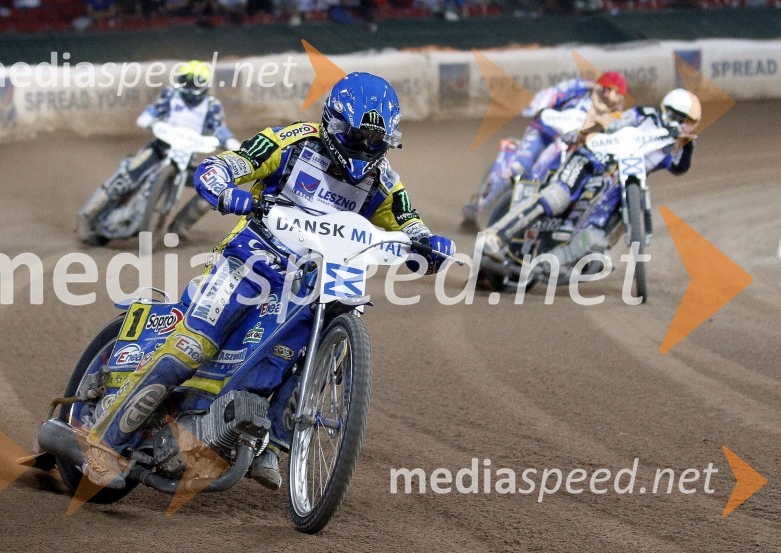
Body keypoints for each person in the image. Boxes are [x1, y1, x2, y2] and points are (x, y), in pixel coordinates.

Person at [82, 72, 456, 491]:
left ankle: (267, 442)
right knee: (191, 347)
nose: (366, 148)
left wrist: (429, 244)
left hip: (308, 283)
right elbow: (223, 165)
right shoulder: (291, 141)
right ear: (334, 124)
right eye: (358, 136)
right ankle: (103, 444)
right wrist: (226, 189)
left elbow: (410, 224)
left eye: (375, 140)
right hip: (247, 262)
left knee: (289, 355)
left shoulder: (382, 180)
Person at [483, 88, 701, 272]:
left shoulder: (672, 147)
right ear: (668, 111)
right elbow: (612, 122)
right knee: (557, 197)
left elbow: (680, 168)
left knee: (603, 231)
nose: (684, 126)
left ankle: (566, 261)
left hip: (619, 188)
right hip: (594, 158)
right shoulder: (643, 114)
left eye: (690, 123)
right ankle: (496, 236)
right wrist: (583, 134)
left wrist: (688, 143)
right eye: (682, 119)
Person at [76, 60, 239, 244]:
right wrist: (148, 119)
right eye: (186, 81)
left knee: (215, 187)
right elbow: (154, 111)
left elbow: (219, 128)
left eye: (194, 82)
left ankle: (181, 226)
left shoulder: (212, 105)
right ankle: (88, 214)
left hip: (185, 159)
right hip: (158, 150)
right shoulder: (171, 94)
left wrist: (230, 142)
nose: (190, 86)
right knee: (125, 176)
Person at [511, 71, 628, 182]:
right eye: (605, 89)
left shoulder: (616, 115)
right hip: (545, 130)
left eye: (615, 93)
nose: (607, 95)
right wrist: (538, 108)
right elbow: (552, 93)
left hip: (573, 144)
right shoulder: (579, 88)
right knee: (519, 166)